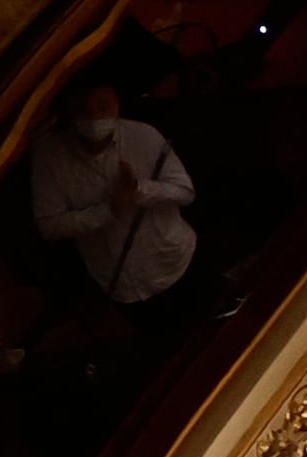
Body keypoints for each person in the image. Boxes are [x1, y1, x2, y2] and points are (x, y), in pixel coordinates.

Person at [31, 84, 199, 306]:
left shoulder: (143, 135)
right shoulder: (50, 159)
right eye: (84, 110)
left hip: (176, 258)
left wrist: (139, 189)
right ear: (70, 111)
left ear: (116, 104)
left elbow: (185, 192)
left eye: (103, 107)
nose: (94, 116)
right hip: (123, 282)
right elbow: (49, 226)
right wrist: (108, 210)